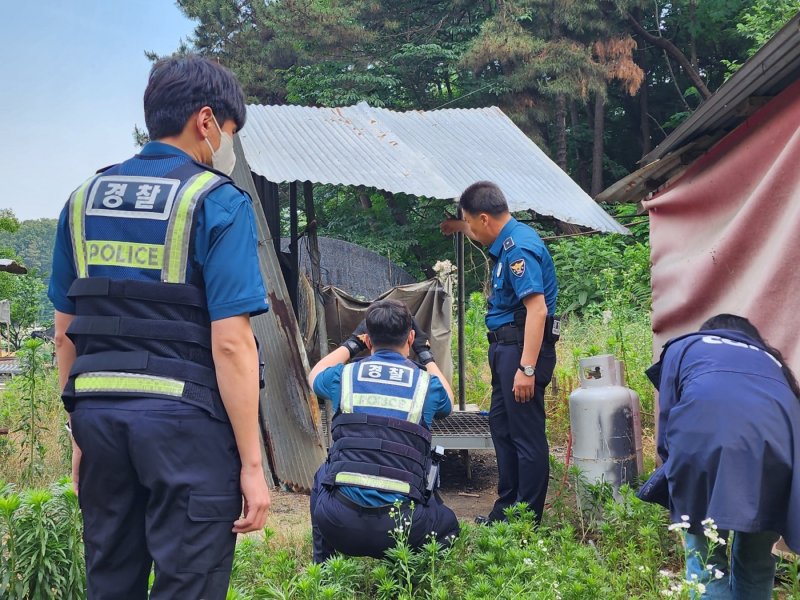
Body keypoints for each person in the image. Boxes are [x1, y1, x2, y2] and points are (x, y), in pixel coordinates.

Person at [48, 55, 272, 599]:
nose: (228, 145)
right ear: (205, 121)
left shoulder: (81, 201)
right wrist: (251, 464)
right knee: (188, 585)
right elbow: (233, 344)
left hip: (99, 417)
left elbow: (64, 333)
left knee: (112, 579)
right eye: (230, 131)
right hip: (183, 426)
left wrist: (81, 429)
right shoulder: (217, 201)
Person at [640, 314, 800, 599]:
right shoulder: (773, 361)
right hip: (777, 457)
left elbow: (668, 424)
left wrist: (676, 478)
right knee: (757, 560)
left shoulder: (685, 346)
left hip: (702, 448)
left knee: (705, 562)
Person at [440, 181, 558, 524]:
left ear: (485, 218)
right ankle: (506, 511)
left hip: (522, 351)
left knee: (526, 435)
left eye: (470, 222)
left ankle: (526, 520)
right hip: (506, 349)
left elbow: (537, 311)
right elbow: (476, 226)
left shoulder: (520, 248)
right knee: (503, 431)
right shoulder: (506, 240)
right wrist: (459, 226)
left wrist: (528, 369)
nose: (470, 230)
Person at [308, 299, 460, 562]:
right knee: (449, 525)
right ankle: (410, 577)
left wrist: (351, 344)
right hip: (403, 528)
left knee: (323, 474)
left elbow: (315, 375)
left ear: (368, 340)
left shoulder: (343, 376)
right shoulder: (427, 384)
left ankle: (323, 565)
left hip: (339, 524)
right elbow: (449, 397)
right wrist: (425, 355)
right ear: (410, 337)